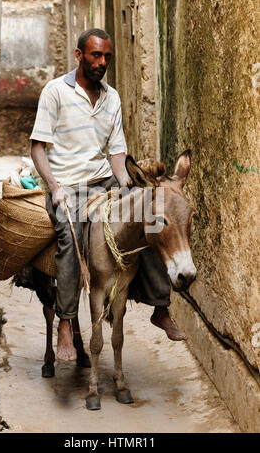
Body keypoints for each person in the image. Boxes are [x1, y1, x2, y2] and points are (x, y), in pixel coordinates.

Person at [30, 28, 186, 362]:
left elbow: (117, 154)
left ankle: (160, 306)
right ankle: (66, 323)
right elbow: (38, 148)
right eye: (95, 55)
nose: (102, 62)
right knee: (70, 239)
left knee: (145, 216)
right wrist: (55, 188)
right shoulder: (55, 92)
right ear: (79, 55)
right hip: (66, 187)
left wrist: (126, 187)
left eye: (107, 57)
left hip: (103, 182)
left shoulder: (111, 98)